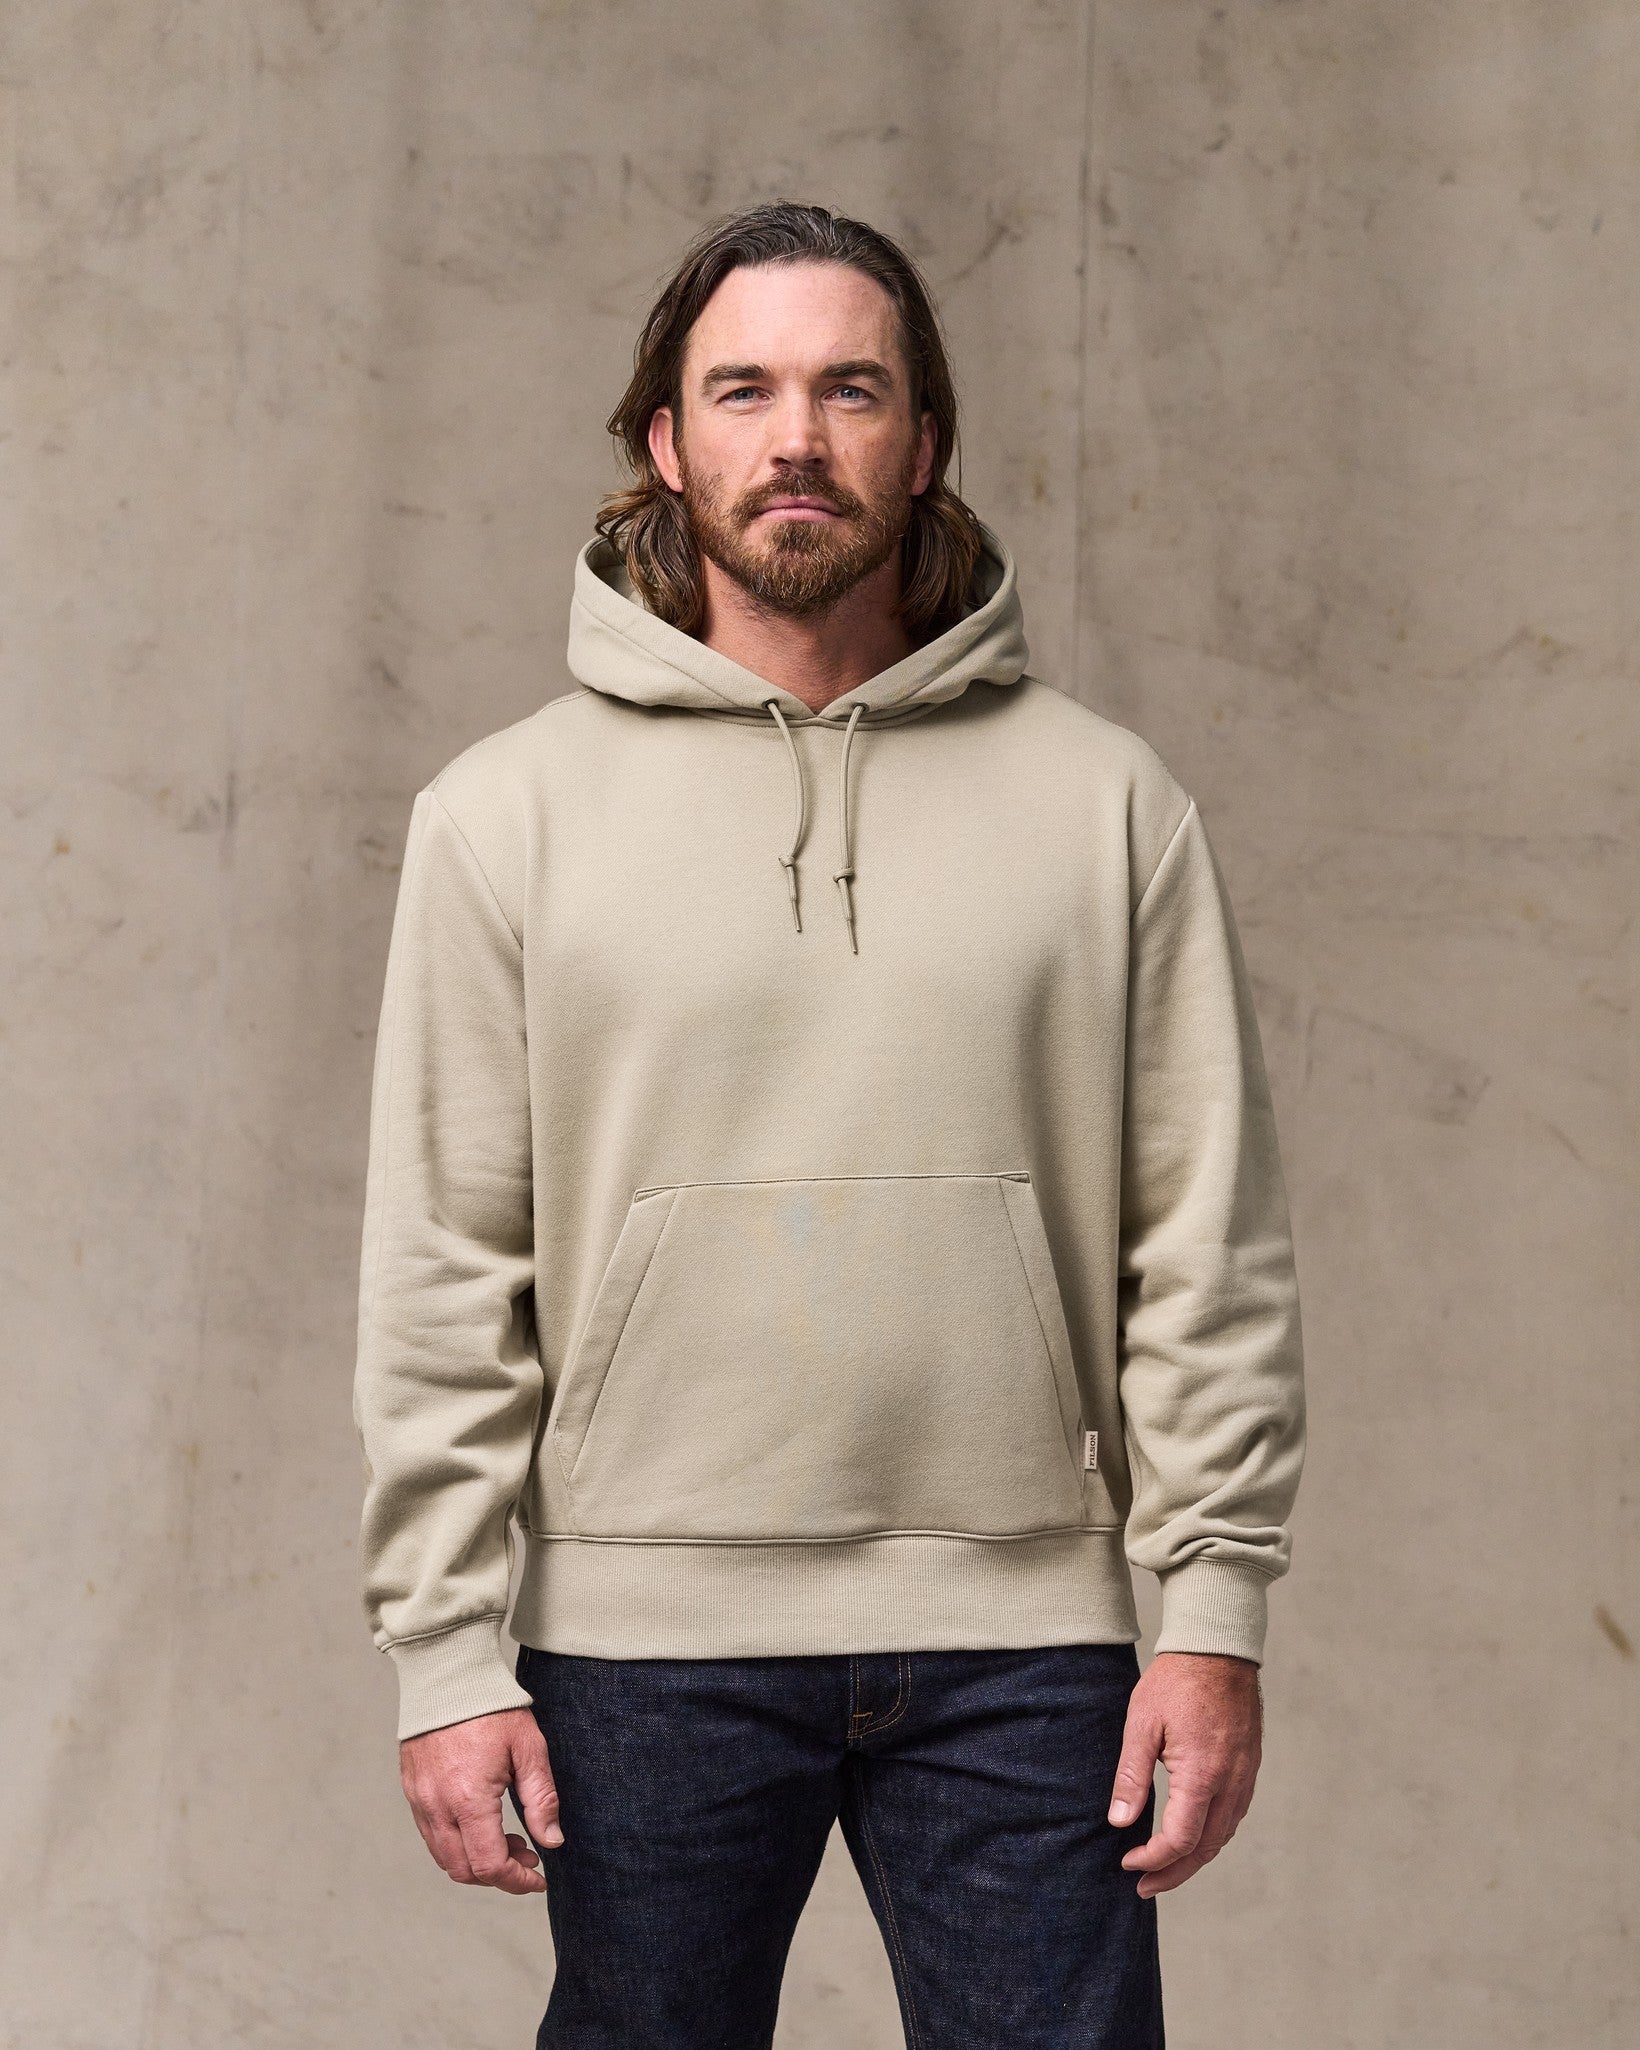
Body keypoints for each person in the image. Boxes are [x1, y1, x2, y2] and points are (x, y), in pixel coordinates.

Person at [352, 200, 1307, 2050]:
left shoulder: (1109, 806)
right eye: (745, 390)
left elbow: (1206, 1237)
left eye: (850, 390)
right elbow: (445, 1261)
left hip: (1026, 1641)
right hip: (640, 1647)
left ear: (923, 440)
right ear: (666, 441)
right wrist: (444, 1652)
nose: (797, 436)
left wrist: (1212, 1610)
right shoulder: (502, 818)